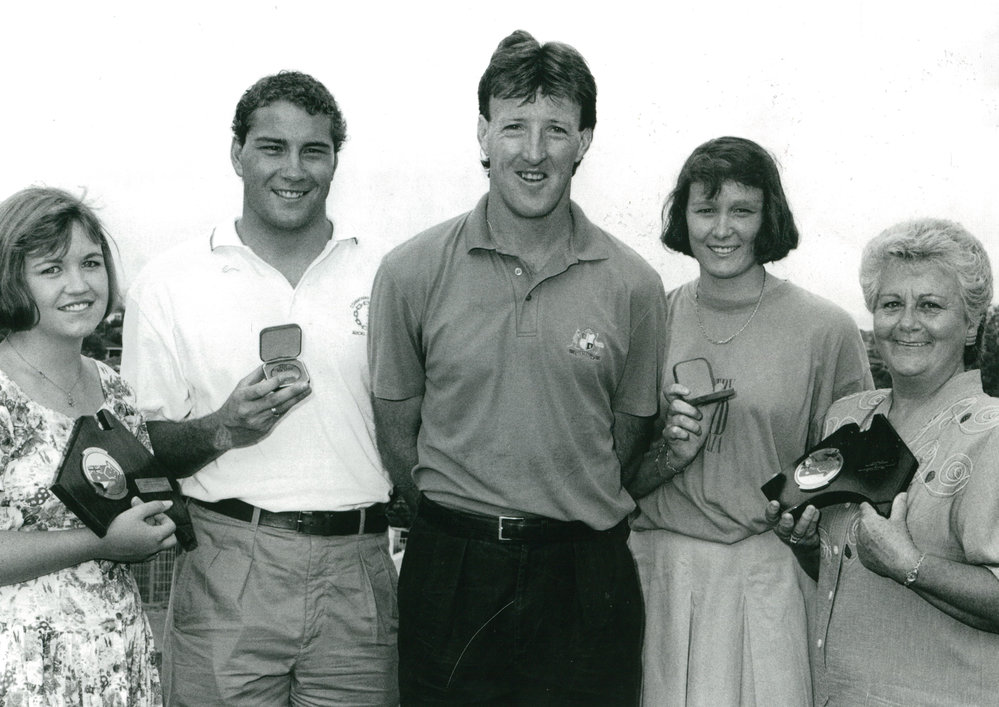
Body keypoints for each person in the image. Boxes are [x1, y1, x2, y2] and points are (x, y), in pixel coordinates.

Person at [368, 30, 666, 705]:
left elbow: (627, 437)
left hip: (586, 575)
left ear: (583, 141)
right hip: (451, 574)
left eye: (555, 129)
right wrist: (467, 525)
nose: (534, 152)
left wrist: (558, 510)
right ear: (483, 133)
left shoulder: (634, 285)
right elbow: (396, 434)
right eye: (514, 127)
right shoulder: (410, 271)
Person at [121, 71, 397, 706]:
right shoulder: (168, 282)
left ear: (335, 161)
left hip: (358, 569)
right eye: (273, 147)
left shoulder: (387, 275)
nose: (294, 169)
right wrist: (225, 428)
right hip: (227, 567)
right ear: (237, 153)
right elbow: (141, 452)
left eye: (314, 150)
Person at [628, 137, 873, 706]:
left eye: (742, 210)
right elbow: (617, 478)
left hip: (769, 580)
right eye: (705, 209)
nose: (722, 229)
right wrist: (669, 454)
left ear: (769, 218)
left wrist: (806, 522)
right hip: (657, 575)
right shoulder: (650, 318)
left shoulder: (826, 329)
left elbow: (855, 477)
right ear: (682, 217)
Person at [767, 219, 999, 705]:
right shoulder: (847, 416)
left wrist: (909, 564)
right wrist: (805, 545)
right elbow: (845, 574)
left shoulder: (993, 431)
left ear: (972, 324)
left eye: (930, 305)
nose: (907, 322)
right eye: (892, 304)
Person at [0, 187, 177, 705]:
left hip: (118, 661)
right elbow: (106, 537)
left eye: (91, 263)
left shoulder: (114, 388)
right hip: (24, 671)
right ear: (12, 279)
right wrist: (101, 542)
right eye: (51, 269)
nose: (79, 285)